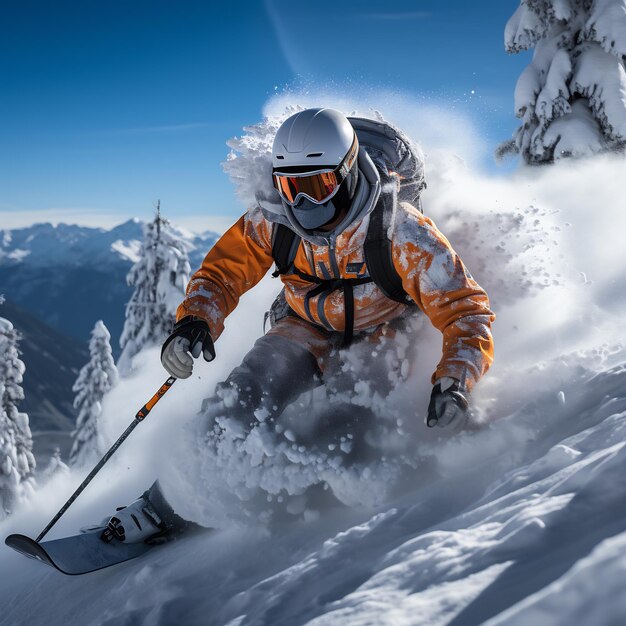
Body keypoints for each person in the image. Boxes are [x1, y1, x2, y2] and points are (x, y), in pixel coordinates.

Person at [102, 108, 495, 544]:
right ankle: (166, 506)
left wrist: (455, 379)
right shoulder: (274, 218)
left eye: (317, 186)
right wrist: (197, 318)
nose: (303, 204)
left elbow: (465, 311)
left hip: (381, 334)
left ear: (346, 174)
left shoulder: (401, 231)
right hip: (304, 325)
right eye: (292, 187)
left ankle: (307, 517)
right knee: (239, 399)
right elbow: (222, 273)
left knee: (348, 426)